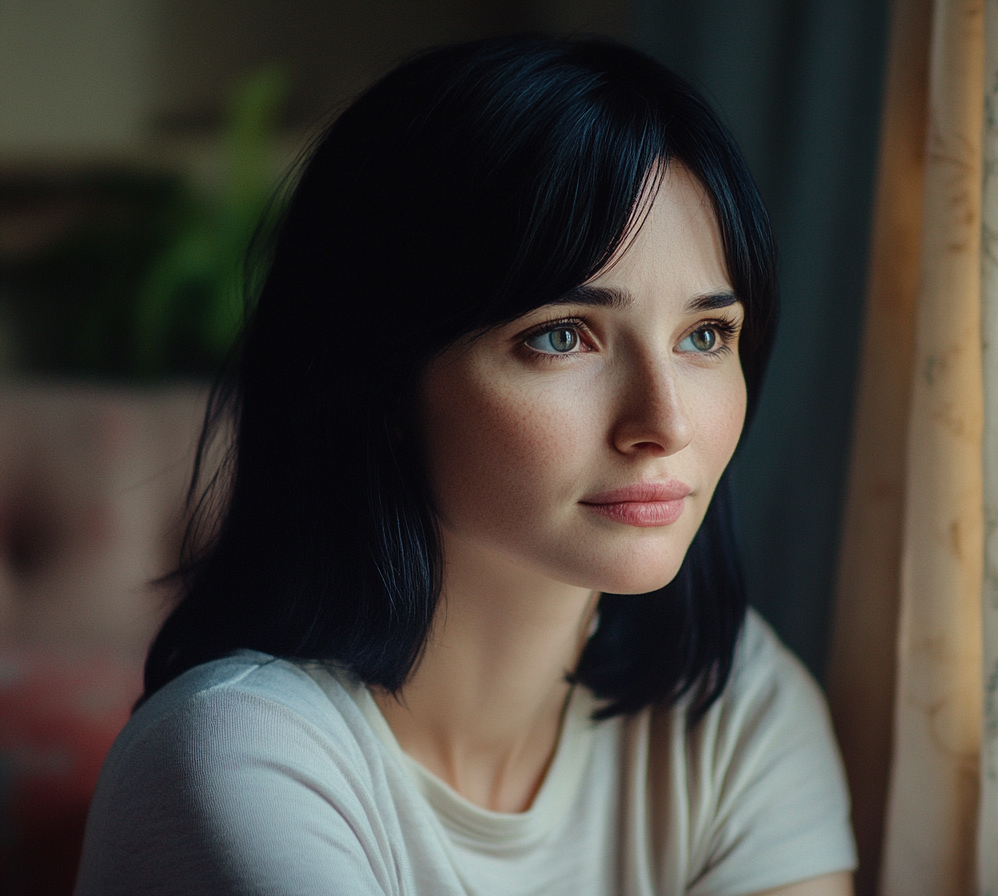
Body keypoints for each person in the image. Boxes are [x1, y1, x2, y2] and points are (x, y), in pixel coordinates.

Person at [75, 36, 856, 896]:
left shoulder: (735, 708)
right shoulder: (237, 759)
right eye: (562, 336)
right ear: (377, 379)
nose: (665, 424)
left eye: (706, 336)